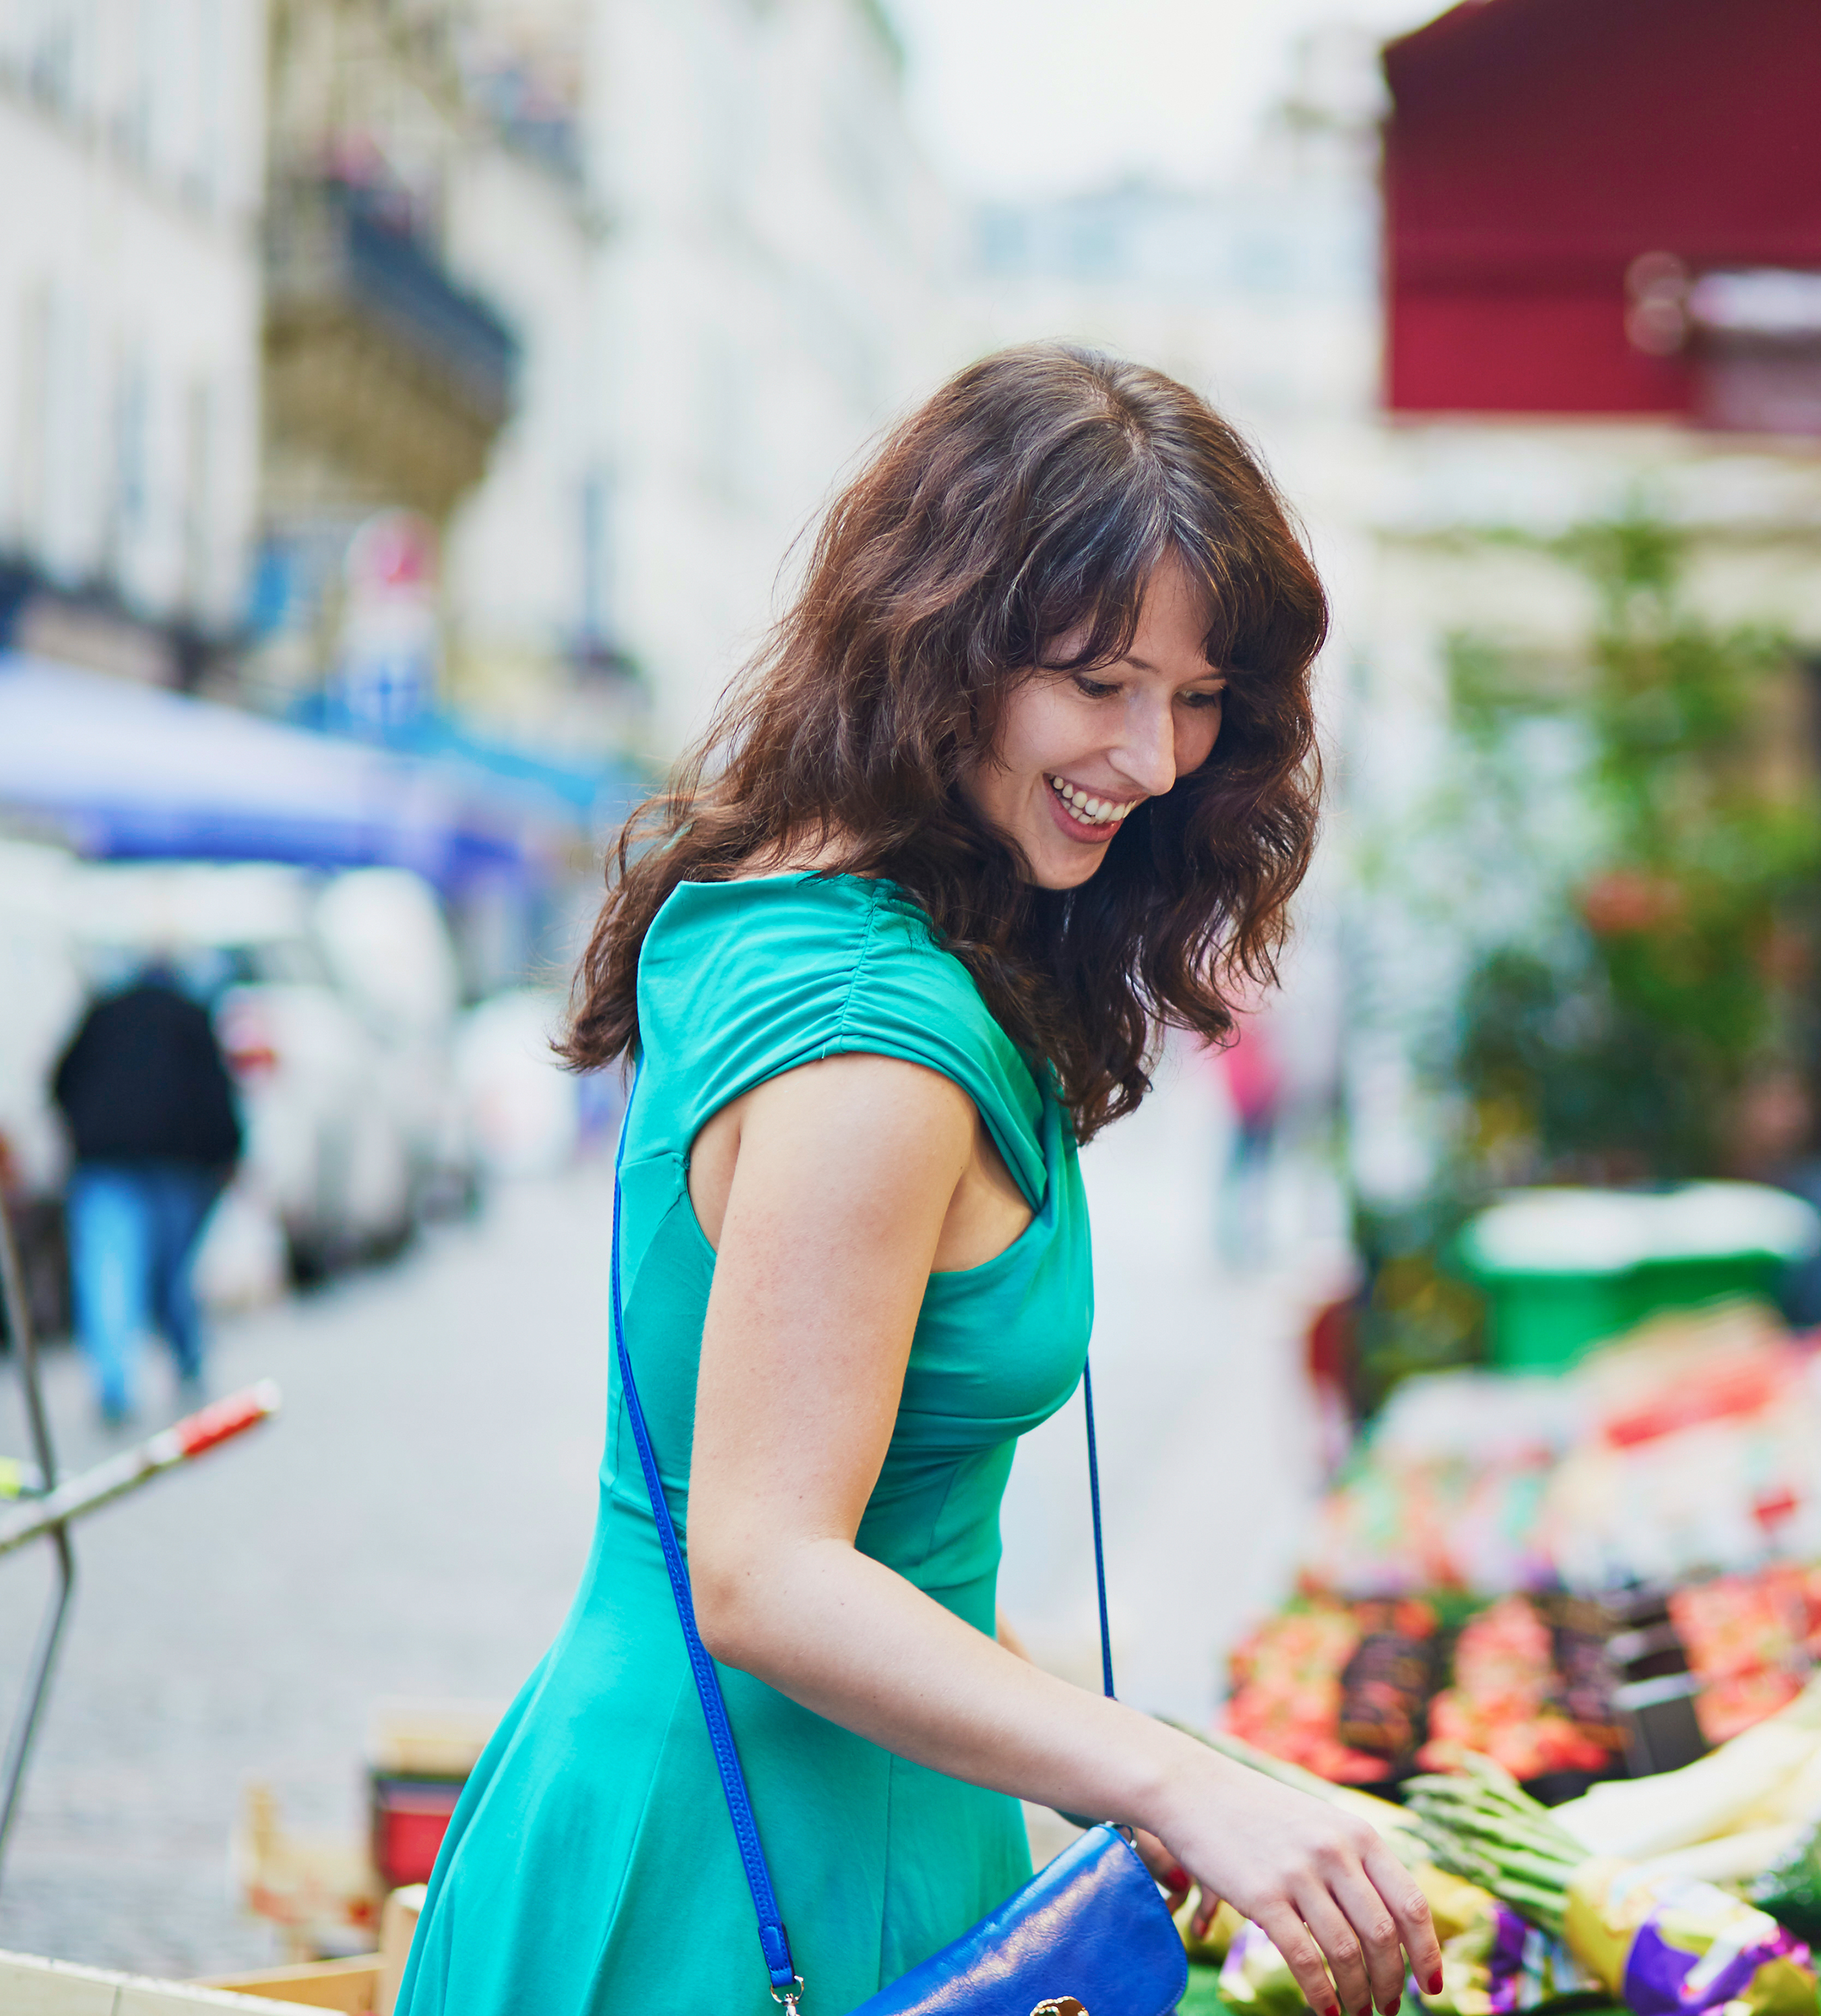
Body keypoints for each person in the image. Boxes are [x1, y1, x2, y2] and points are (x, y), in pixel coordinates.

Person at [398, 348, 1437, 2016]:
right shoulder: (878, 1038)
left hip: (792, 1812)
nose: (1157, 757)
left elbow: (902, 1551)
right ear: (947, 642)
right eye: (1098, 681)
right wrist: (1168, 1785)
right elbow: (762, 1564)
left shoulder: (812, 918)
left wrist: (1145, 1762)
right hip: (740, 1876)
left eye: (1193, 697)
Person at [51, 962, 242, 1426]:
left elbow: (60, 1079)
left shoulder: (103, 1013)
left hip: (106, 1158)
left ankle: (115, 1381)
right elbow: (217, 1094)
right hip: (174, 1162)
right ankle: (186, 1356)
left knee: (107, 1267)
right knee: (170, 1269)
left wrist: (79, 1130)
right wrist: (229, 1154)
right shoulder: (190, 1015)